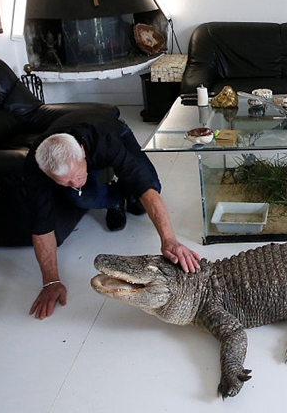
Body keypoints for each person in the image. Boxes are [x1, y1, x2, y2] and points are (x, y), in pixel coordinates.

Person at [26, 112, 200, 320]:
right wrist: (51, 281)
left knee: (148, 189)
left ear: (82, 151)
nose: (75, 183)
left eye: (77, 176)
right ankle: (114, 199)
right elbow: (41, 226)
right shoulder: (35, 167)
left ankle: (125, 191)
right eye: (66, 182)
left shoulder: (104, 140)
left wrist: (169, 240)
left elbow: (145, 188)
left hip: (113, 129)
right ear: (44, 170)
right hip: (74, 145)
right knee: (82, 197)